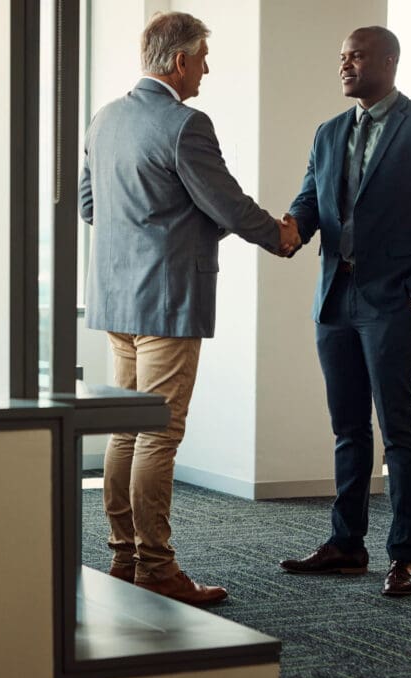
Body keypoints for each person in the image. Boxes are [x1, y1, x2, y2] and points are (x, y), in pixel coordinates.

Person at [78, 11, 300, 606]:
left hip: (116, 300)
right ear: (179, 61)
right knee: (159, 434)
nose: (206, 68)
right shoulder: (184, 125)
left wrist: (159, 226)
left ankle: (124, 556)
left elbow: (89, 204)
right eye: (202, 57)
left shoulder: (106, 118)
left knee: (128, 429)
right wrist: (278, 235)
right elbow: (225, 205)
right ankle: (157, 567)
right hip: (168, 300)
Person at [278, 26, 411, 596]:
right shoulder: (329, 131)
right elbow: (309, 200)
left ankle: (404, 554)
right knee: (347, 428)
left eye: (355, 56)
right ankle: (346, 545)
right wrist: (284, 232)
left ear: (388, 60)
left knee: (398, 430)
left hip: (391, 302)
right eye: (341, 57)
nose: (344, 66)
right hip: (335, 299)